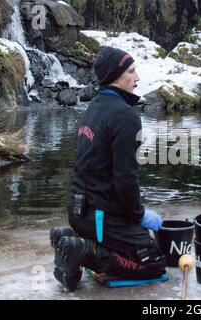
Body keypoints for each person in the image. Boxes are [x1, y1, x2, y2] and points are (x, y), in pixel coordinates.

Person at [50, 47, 166, 292]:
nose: (137, 78)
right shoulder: (125, 116)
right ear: (116, 75)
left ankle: (68, 236)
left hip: (79, 212)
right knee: (153, 262)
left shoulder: (93, 108)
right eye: (131, 71)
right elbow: (125, 179)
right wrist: (139, 215)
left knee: (130, 238)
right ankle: (84, 250)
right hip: (100, 218)